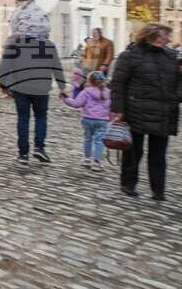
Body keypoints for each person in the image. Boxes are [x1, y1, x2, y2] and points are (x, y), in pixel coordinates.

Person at [109, 23, 182, 201]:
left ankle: (158, 189)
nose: (168, 40)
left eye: (168, 37)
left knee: (158, 154)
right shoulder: (130, 56)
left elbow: (179, 81)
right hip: (136, 110)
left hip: (164, 111)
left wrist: (176, 96)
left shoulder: (171, 57)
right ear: (150, 35)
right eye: (164, 36)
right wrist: (118, 109)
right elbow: (118, 84)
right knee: (134, 150)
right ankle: (128, 184)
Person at [0, 32, 66, 163]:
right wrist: (62, 86)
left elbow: (5, 65)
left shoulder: (15, 44)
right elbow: (57, 66)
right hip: (41, 87)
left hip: (20, 86)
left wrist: (3, 84)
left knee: (23, 119)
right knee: (41, 116)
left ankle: (23, 154)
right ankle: (39, 148)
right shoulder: (48, 45)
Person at [60, 71, 111, 170]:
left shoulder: (86, 92)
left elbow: (76, 103)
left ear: (89, 81)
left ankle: (87, 158)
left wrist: (66, 99)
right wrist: (110, 118)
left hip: (87, 119)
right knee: (99, 141)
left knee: (88, 138)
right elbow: (111, 108)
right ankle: (96, 162)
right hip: (102, 121)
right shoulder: (108, 93)